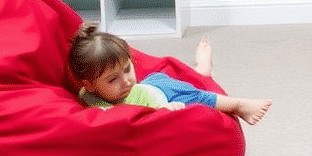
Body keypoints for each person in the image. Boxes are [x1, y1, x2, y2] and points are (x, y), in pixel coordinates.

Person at [68, 24, 271, 125]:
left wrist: (164, 107)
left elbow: (150, 110)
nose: (127, 80)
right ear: (90, 85)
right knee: (191, 82)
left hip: (161, 92)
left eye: (128, 69)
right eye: (113, 79)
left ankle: (239, 105)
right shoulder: (89, 97)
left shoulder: (130, 87)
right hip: (153, 92)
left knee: (197, 95)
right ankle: (200, 71)